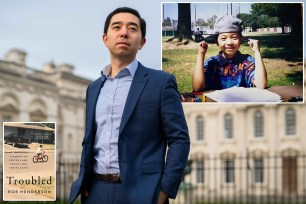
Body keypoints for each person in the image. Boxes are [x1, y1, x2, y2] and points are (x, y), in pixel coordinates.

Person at [69, 7, 190, 204]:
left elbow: (179, 139)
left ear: (141, 42)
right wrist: (85, 183)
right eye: (116, 27)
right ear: (105, 39)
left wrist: (163, 191)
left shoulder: (161, 82)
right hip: (95, 192)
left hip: (144, 193)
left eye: (132, 28)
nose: (124, 32)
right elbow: (90, 140)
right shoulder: (93, 88)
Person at [192, 15, 267, 92]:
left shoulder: (247, 61)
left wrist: (257, 52)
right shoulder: (212, 63)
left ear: (240, 40)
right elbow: (197, 88)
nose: (229, 42)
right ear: (217, 41)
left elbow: (261, 85)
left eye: (234, 38)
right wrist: (201, 54)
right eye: (223, 38)